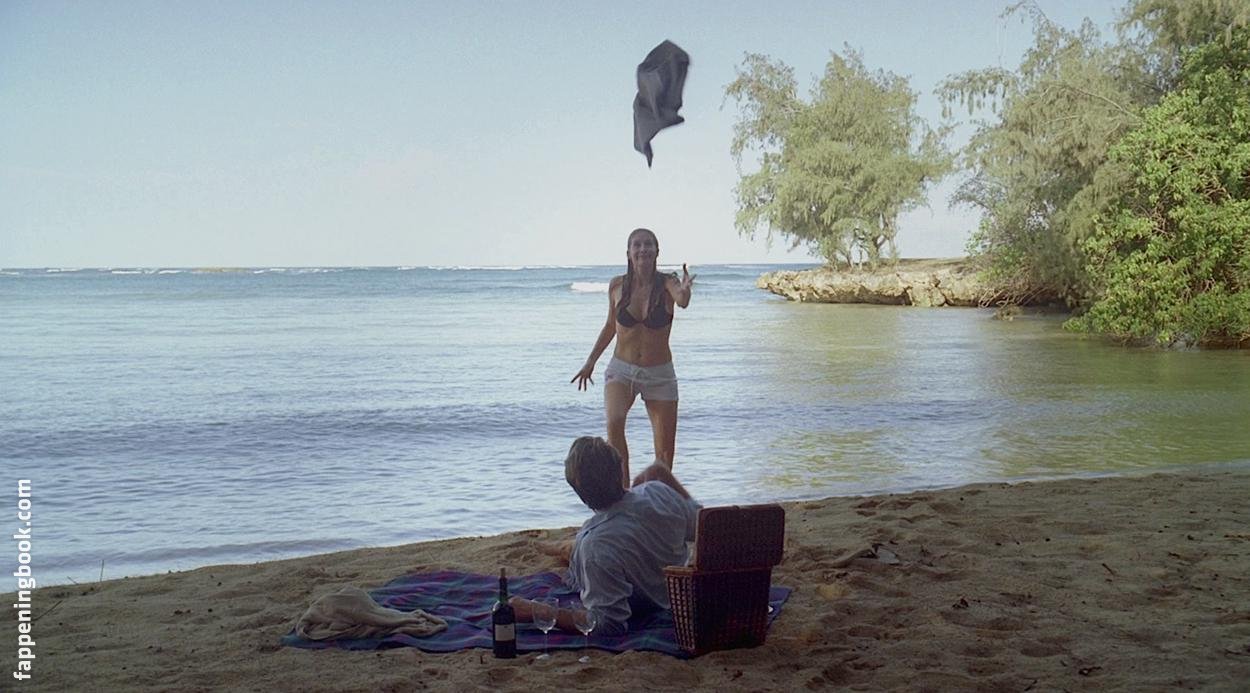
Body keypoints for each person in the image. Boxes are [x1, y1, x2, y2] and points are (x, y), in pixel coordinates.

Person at [510, 436, 699, 636]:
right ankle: (553, 547)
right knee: (579, 546)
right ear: (620, 469)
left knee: (578, 548)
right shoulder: (658, 493)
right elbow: (702, 525)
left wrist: (536, 611)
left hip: (640, 597)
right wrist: (665, 476)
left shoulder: (595, 547)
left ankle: (553, 547)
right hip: (672, 592)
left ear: (577, 490)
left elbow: (607, 624)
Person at [571, 228, 695, 485]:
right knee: (614, 423)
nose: (643, 249)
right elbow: (610, 326)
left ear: (657, 252)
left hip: (660, 374)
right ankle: (624, 492)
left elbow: (682, 301)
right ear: (628, 253)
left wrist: (685, 289)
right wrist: (591, 361)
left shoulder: (668, 283)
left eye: (648, 244)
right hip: (622, 369)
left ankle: (656, 496)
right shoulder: (617, 286)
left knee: (664, 454)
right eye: (637, 245)